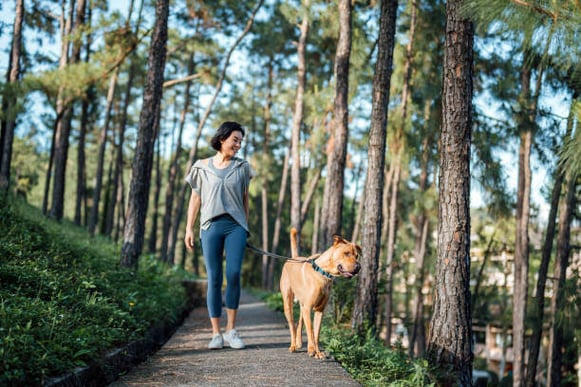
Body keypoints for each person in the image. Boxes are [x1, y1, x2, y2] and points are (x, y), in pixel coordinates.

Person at [184, 121, 252, 350]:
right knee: (214, 278)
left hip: (235, 227)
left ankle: (231, 330)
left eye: (241, 141)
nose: (238, 145)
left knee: (232, 274)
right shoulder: (201, 167)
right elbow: (195, 199)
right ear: (222, 138)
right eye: (235, 139)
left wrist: (246, 226)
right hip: (210, 227)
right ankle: (215, 333)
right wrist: (188, 229)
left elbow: (245, 199)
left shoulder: (242, 167)